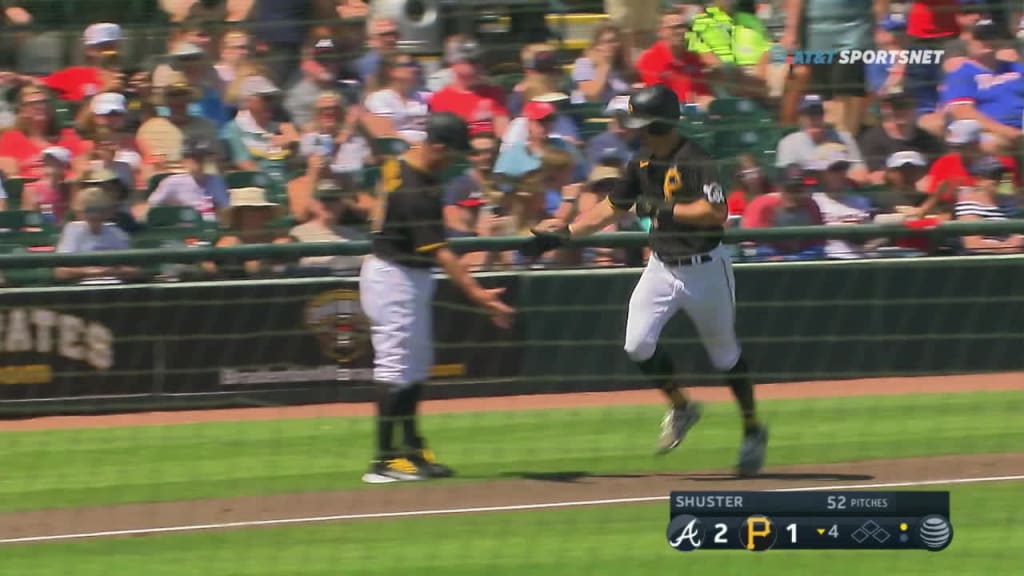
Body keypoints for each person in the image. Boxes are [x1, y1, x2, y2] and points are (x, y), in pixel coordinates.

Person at [522, 85, 768, 477]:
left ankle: (753, 429)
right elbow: (611, 207)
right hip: (662, 266)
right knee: (637, 344)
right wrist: (567, 233)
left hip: (706, 268)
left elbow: (715, 211)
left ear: (659, 124)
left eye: (642, 124)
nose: (636, 131)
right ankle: (682, 406)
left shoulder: (695, 159)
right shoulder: (640, 161)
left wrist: (665, 208)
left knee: (725, 356)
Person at [360, 112, 515, 484]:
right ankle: (384, 459)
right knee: (395, 366)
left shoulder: (403, 164)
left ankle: (411, 449)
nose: (455, 162)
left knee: (415, 365)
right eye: (453, 153)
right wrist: (479, 295)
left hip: (403, 273)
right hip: (394, 275)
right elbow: (443, 254)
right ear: (438, 146)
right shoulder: (417, 190)